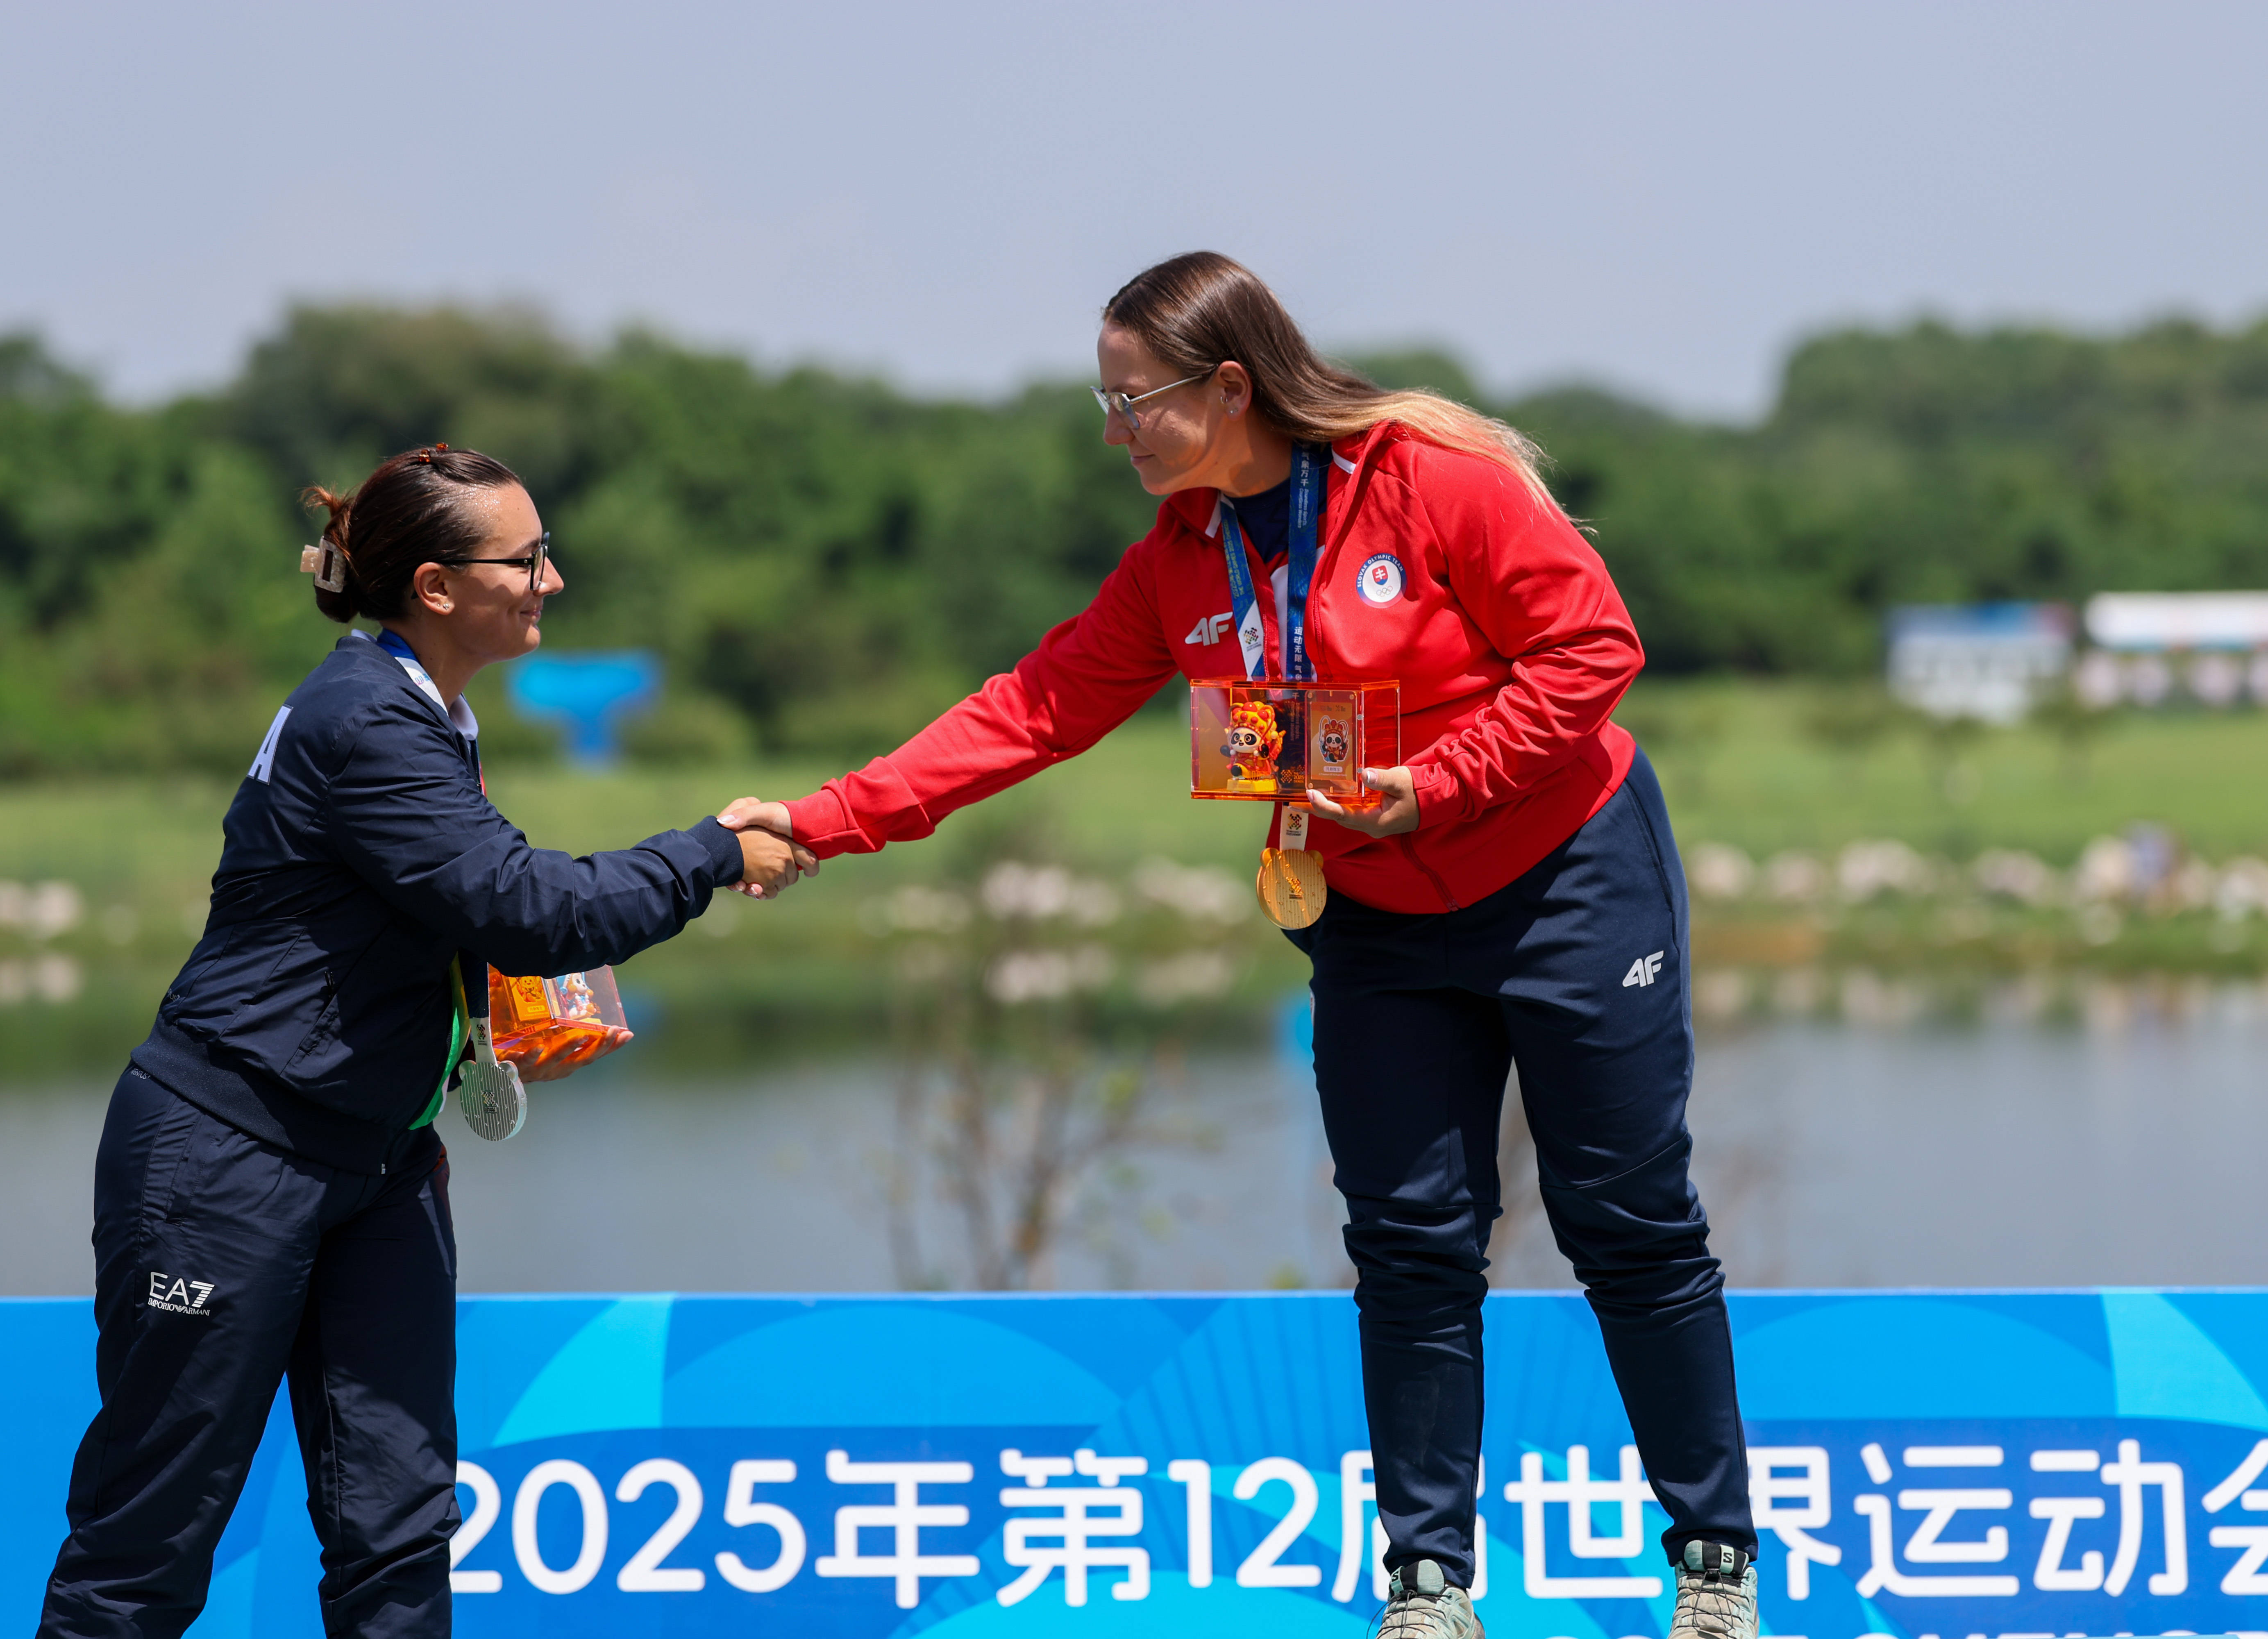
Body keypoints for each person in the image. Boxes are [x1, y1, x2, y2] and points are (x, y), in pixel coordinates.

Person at [718, 252, 1760, 1639]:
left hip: (1569, 878)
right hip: (1378, 919)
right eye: (1103, 403)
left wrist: (1433, 787)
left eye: (1133, 400)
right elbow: (1028, 712)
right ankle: (1431, 1586)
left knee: (1626, 1226)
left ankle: (1713, 1568)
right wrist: (821, 819)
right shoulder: (1180, 563)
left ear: (1228, 384)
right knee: (1409, 1244)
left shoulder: (1433, 481)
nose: (1115, 431)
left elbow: (1591, 651)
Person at [39, 443, 810, 1639]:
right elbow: (536, 908)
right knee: (148, 1546)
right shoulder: (366, 722)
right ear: (438, 588)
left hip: (379, 1163)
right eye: (530, 557)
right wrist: (710, 850)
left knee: (398, 1533)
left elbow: (460, 912)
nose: (553, 578)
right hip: (226, 1157)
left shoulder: (426, 707)